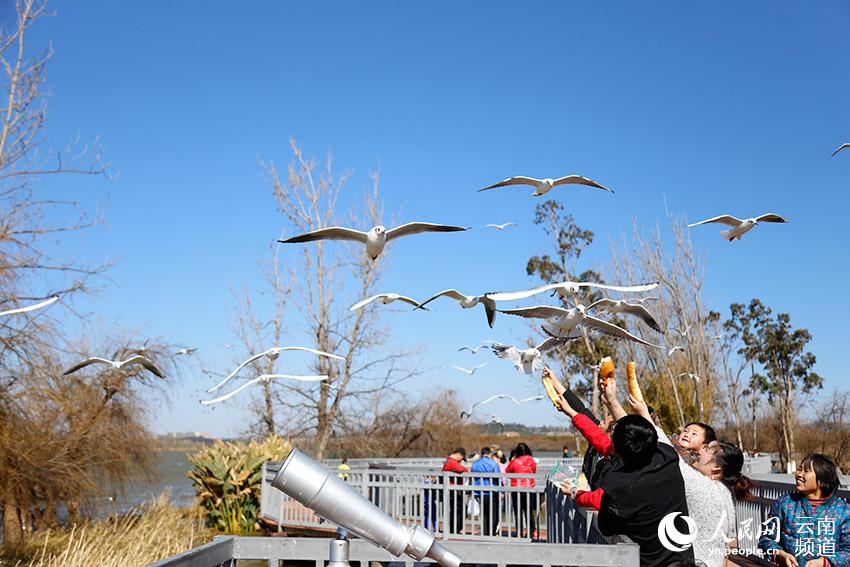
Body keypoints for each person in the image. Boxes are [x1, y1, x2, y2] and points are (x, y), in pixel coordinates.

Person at [547, 369, 694, 566]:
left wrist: (575, 493)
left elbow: (606, 527)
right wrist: (576, 413)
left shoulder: (618, 485)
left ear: (617, 451)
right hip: (685, 559)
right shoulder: (667, 457)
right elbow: (602, 438)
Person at [759, 454, 850, 567]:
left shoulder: (844, 511)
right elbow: (765, 538)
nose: (799, 474)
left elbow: (848, 552)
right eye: (799, 469)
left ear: (821, 481)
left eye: (806, 471)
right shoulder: (784, 503)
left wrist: (824, 562)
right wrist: (781, 555)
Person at [506, 442, 538, 539]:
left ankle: (519, 532)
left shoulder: (515, 461)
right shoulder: (532, 460)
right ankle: (532, 531)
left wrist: (512, 459)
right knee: (529, 512)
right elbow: (534, 471)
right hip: (529, 488)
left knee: (518, 512)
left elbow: (507, 470)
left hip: (517, 489)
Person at [471, 446, 501, 536]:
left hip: (479, 491)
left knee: (483, 513)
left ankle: (485, 531)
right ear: (490, 454)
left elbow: (472, 476)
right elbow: (498, 477)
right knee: (493, 513)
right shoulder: (493, 464)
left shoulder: (475, 464)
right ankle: (491, 531)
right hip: (491, 491)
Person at [442, 447, 469, 534]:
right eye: (461, 458)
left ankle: (454, 529)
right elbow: (462, 470)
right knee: (460, 510)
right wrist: (465, 469)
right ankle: (455, 529)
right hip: (453, 491)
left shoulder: (449, 461)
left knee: (457, 510)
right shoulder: (451, 462)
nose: (461, 461)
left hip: (454, 490)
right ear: (459, 455)